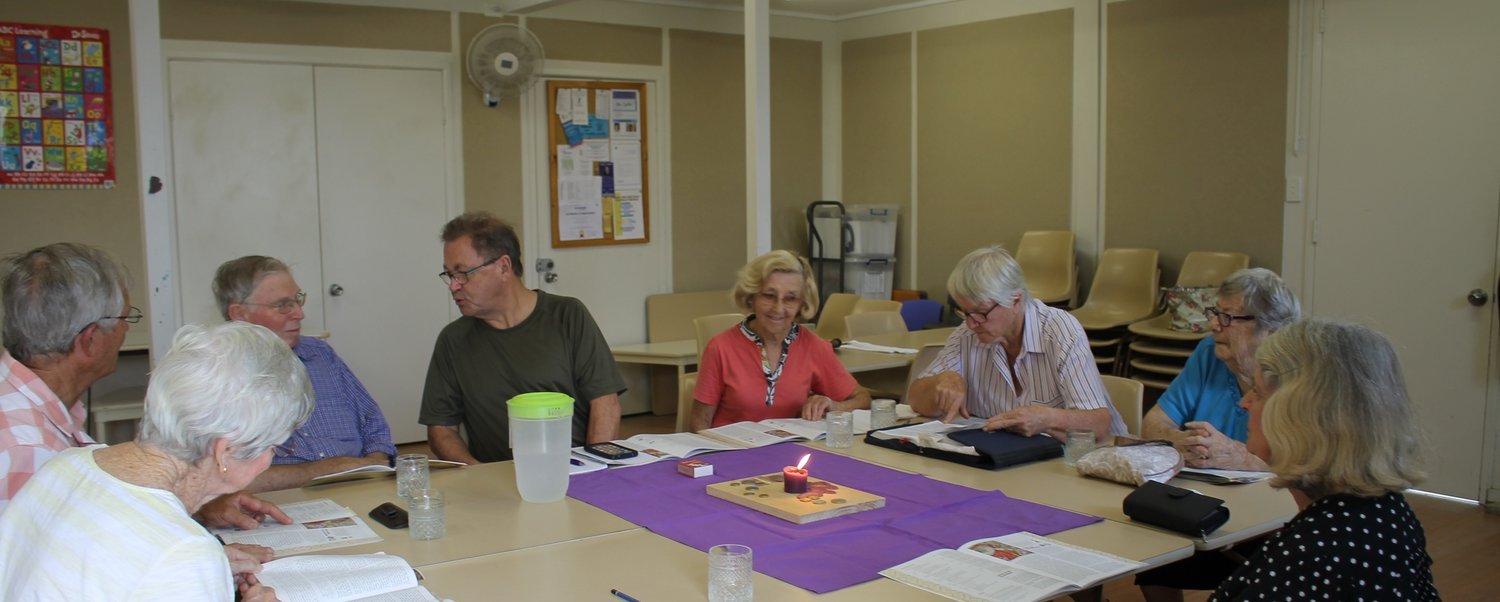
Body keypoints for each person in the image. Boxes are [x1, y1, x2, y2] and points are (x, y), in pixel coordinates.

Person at [0, 321, 315, 601]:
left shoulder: (66, 465)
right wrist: (193, 572)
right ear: (224, 452)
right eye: (273, 447)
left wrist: (203, 576)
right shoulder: (183, 553)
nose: (269, 459)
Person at [1209, 319, 1438, 600]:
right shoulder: (1388, 510)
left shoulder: (1315, 556)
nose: (1245, 403)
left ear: (1301, 418)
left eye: (1257, 391)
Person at [421, 212, 624, 464]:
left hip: (571, 474)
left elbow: (606, 404)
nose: (453, 286)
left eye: (462, 274)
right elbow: (441, 429)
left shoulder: (568, 316)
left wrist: (595, 470)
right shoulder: (453, 340)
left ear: (504, 267)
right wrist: (479, 476)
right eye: (449, 275)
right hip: (494, 482)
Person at [214, 255, 396, 490]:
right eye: (283, 305)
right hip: (286, 500)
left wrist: (374, 465)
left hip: (361, 488)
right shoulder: (217, 378)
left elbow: (375, 427)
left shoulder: (320, 355)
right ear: (239, 314)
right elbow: (222, 478)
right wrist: (332, 470)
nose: (299, 314)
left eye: (298, 300)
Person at [908, 245, 1126, 438]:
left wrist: (1047, 419)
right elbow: (915, 398)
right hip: (1015, 459)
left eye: (981, 312)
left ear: (1016, 299)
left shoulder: (1059, 330)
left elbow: (1099, 423)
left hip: (1091, 459)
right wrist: (940, 382)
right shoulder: (966, 334)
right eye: (964, 312)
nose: (972, 323)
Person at [0, 242, 137, 509]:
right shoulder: (32, 452)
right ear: (89, 341)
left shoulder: (27, 404)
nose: (126, 332)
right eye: (125, 320)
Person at [691, 250, 872, 430]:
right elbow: (700, 423)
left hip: (790, 454)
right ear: (752, 296)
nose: (778, 309)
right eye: (769, 296)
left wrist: (834, 405)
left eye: (790, 299)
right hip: (731, 451)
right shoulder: (720, 348)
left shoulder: (814, 347)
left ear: (802, 304)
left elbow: (863, 399)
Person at [1141, 268, 1300, 471]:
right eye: (1215, 313)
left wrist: (1243, 459)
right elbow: (1153, 423)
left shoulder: (1298, 376)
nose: (1213, 324)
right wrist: (1179, 440)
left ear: (1270, 329)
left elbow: (1311, 468)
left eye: (1227, 317)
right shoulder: (1210, 352)